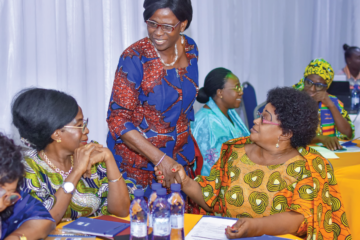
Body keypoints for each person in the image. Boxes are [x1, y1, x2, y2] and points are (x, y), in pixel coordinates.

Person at [155, 87, 351, 239]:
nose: (256, 121)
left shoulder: (308, 166)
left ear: (286, 133)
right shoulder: (234, 151)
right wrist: (185, 182)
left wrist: (253, 227)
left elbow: (299, 219)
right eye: (260, 115)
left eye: (265, 119)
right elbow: (211, 199)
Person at [106, 0, 198, 198]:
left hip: (179, 160)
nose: (157, 32)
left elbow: (186, 105)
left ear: (183, 25)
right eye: (152, 23)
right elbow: (118, 120)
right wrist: (160, 159)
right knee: (142, 224)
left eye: (167, 26)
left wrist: (175, 158)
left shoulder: (190, 49)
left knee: (178, 224)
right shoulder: (134, 58)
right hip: (139, 167)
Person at [12, 88, 130, 224]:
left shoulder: (92, 155)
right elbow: (44, 221)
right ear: (56, 134)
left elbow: (121, 211)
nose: (87, 130)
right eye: (80, 125)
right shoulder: (28, 170)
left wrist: (109, 159)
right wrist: (76, 172)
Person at [192, 67, 249, 176]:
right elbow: (210, 168)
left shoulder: (230, 112)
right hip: (217, 185)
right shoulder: (206, 122)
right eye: (236, 87)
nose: (241, 92)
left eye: (240, 87)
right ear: (220, 92)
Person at [0, 133, 55, 240]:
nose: (1, 205)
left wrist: (17, 237)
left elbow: (45, 220)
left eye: (7, 196)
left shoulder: (14, 197)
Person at [293, 58, 354, 150]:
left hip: (330, 155)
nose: (312, 89)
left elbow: (348, 134)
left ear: (326, 87)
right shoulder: (293, 100)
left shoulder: (333, 101)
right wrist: (321, 138)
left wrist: (331, 105)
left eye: (319, 85)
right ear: (304, 80)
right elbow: (291, 135)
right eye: (309, 82)